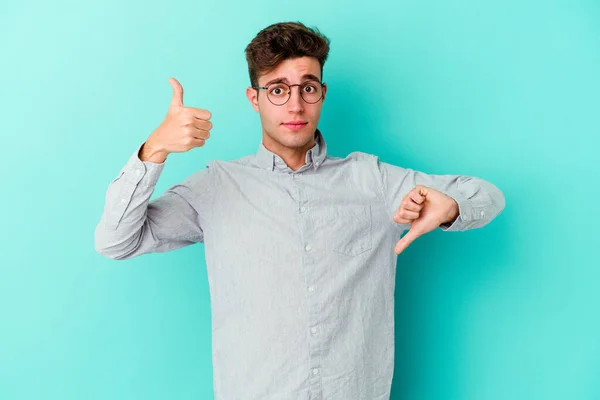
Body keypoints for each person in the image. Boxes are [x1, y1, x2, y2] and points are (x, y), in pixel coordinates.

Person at [95, 21, 505, 400]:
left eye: (307, 88)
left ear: (322, 94)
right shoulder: (216, 186)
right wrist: (154, 151)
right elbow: (116, 241)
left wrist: (450, 206)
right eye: (277, 89)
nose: (294, 106)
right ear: (254, 99)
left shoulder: (373, 180)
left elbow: (486, 195)